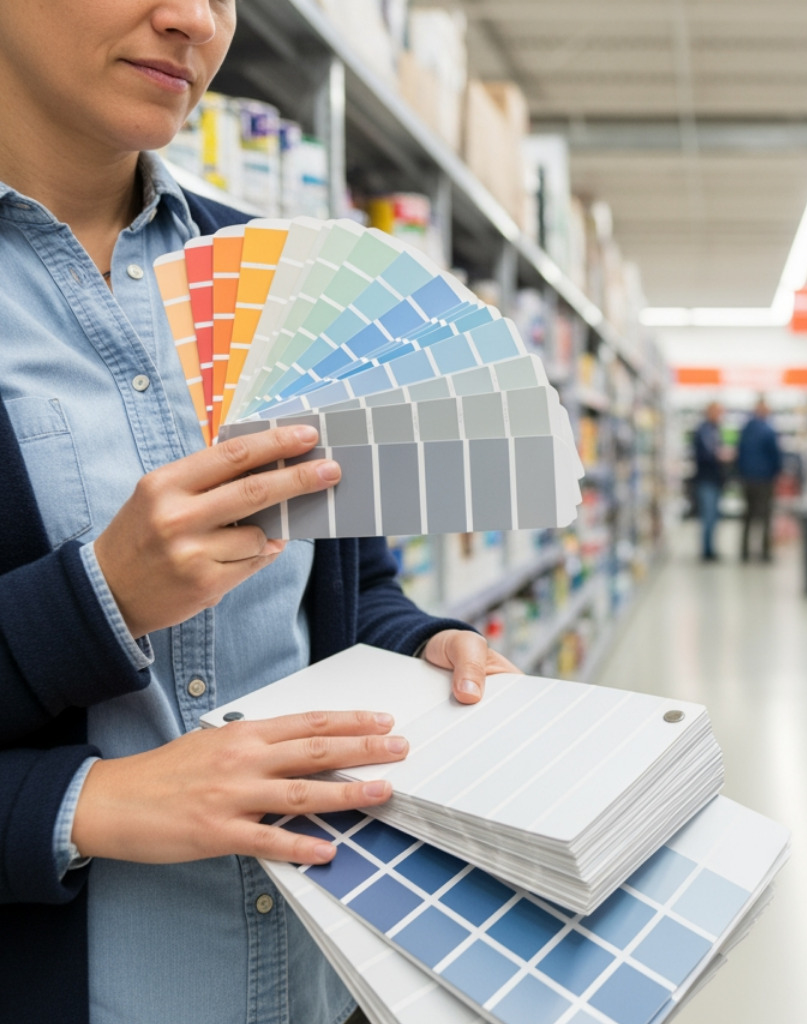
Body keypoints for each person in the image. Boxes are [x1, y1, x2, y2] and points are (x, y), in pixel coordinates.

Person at [0, 3, 516, 1023]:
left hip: (333, 981)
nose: (193, 19)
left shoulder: (281, 272)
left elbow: (348, 588)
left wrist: (423, 649)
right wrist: (77, 791)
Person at [736, 397, 783, 562]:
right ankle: (764, 552)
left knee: (748, 515)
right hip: (764, 479)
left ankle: (744, 552)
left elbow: (739, 453)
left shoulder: (746, 429)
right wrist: (776, 473)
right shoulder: (769, 430)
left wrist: (741, 473)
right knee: (764, 516)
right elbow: (775, 457)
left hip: (747, 478)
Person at [691, 402, 726, 562]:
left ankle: (710, 549)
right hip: (706, 479)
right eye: (718, 412)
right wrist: (720, 456)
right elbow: (707, 454)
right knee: (708, 517)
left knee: (713, 517)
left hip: (714, 479)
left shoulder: (714, 430)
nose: (720, 416)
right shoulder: (704, 430)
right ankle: (707, 551)